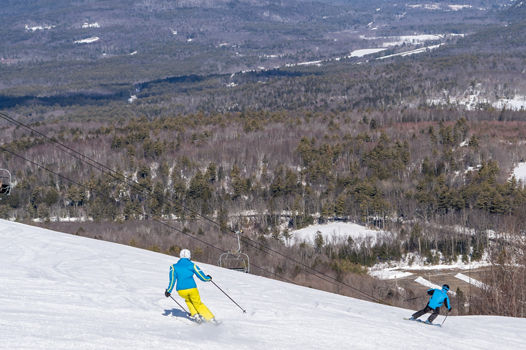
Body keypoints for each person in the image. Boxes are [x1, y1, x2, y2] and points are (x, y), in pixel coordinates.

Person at [164, 248, 216, 323]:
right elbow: (202, 277)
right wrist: (208, 278)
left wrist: (168, 291)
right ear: (189, 256)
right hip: (192, 288)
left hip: (181, 290)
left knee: (188, 300)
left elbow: (172, 280)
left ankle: (196, 315)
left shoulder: (173, 267)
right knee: (197, 303)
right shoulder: (192, 265)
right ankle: (211, 319)